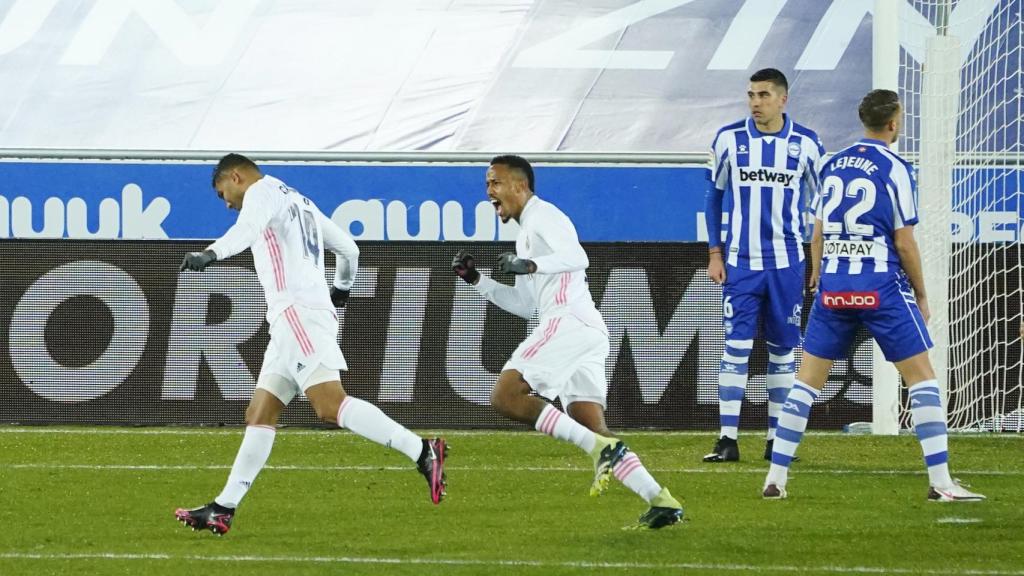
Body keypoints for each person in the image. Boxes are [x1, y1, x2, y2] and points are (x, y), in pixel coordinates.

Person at [174, 154, 447, 535]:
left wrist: (210, 253)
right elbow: (349, 249)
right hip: (295, 318)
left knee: (329, 405)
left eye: (223, 194)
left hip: (296, 313)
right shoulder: (299, 200)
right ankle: (223, 508)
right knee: (260, 412)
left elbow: (247, 229)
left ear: (235, 177)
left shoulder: (260, 192)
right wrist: (341, 292)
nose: (227, 204)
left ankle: (421, 450)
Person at [762, 89, 985, 502]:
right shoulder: (896, 167)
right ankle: (941, 483)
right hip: (880, 286)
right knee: (922, 379)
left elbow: (817, 233)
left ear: (863, 119)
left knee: (805, 383)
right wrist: (921, 293)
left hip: (834, 286)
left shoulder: (832, 164)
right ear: (894, 123)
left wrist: (818, 274)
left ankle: (775, 479)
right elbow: (904, 242)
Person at [452, 154, 683, 529]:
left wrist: (531, 265)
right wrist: (477, 281)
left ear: (520, 185)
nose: (489, 191)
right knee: (593, 427)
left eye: (495, 182)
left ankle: (599, 449)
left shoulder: (545, 215)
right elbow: (525, 305)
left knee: (505, 397)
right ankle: (661, 500)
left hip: (568, 322)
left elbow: (578, 256)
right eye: (487, 184)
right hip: (585, 329)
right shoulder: (525, 234)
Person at [703, 68, 825, 463]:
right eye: (751, 95)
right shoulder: (728, 139)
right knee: (735, 348)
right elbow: (713, 198)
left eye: (764, 95)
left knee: (783, 353)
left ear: (783, 99)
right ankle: (727, 440)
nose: (755, 102)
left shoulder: (807, 143)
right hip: (741, 263)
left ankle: (776, 440)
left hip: (788, 264)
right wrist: (715, 253)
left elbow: (822, 205)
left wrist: (818, 261)